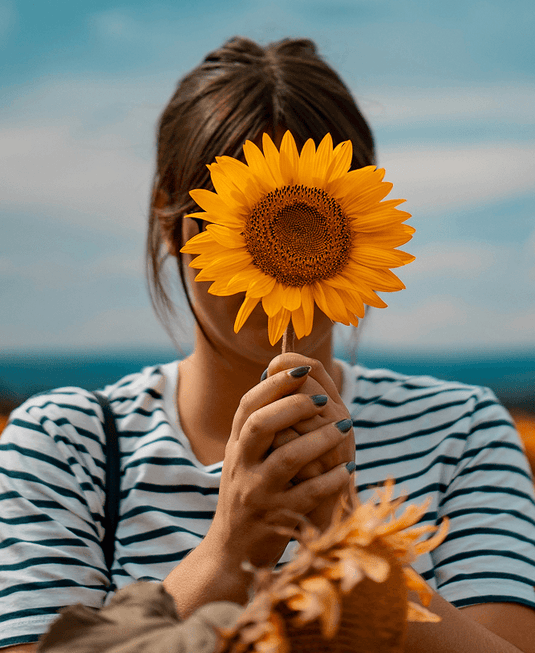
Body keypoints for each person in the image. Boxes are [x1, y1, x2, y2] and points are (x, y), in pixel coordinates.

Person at [1, 36, 535, 653]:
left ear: (359, 223)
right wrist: (230, 551)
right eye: (238, 217)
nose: (287, 255)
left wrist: (347, 544)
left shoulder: (460, 432)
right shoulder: (66, 446)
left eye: (320, 212)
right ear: (172, 222)